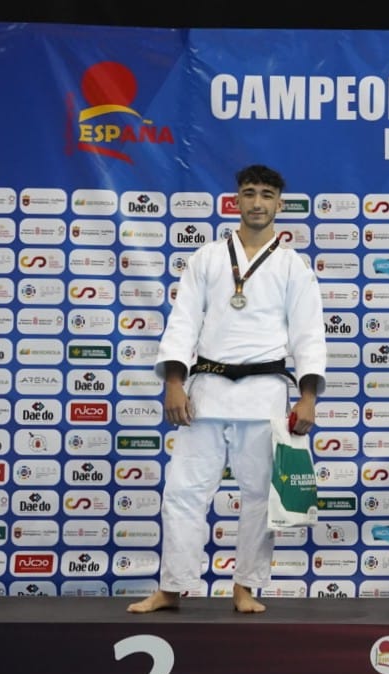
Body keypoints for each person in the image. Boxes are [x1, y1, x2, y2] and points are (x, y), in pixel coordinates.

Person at [128, 165, 325, 613]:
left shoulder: (294, 267)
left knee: (259, 497)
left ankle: (245, 587)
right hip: (207, 392)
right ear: (236, 200)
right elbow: (182, 324)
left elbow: (309, 334)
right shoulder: (207, 259)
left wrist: (308, 396)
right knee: (182, 491)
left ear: (280, 203)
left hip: (265, 394)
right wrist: (174, 383)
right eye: (250, 193)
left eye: (267, 195)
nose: (258, 202)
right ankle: (172, 587)